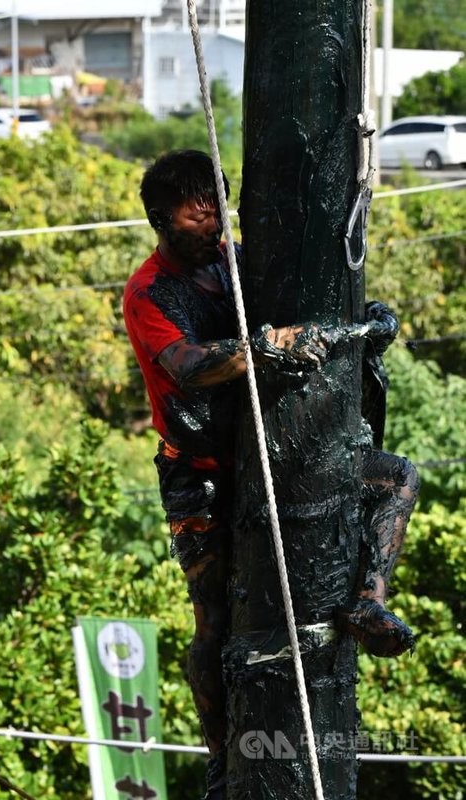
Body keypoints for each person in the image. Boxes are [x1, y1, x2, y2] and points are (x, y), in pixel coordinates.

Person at [123, 150, 419, 800]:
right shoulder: (149, 293)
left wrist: (363, 320)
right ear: (160, 221)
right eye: (197, 216)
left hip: (273, 453)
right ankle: (220, 761)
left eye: (217, 210)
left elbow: (301, 306)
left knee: (396, 478)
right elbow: (189, 365)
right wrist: (261, 351)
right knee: (212, 621)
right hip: (200, 470)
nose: (213, 226)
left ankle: (368, 598)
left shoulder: (235, 263)